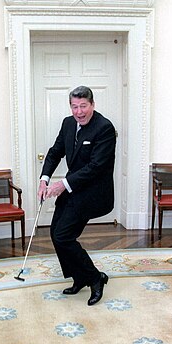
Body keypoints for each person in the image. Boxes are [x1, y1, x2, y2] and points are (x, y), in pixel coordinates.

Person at [38, 86, 116, 306]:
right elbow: (55, 152)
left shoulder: (104, 128)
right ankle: (80, 276)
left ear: (92, 105)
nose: (79, 112)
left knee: (63, 236)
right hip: (73, 188)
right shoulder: (68, 123)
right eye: (75, 106)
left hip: (92, 193)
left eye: (83, 106)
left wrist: (62, 184)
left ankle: (95, 278)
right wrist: (44, 178)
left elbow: (96, 167)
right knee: (56, 233)